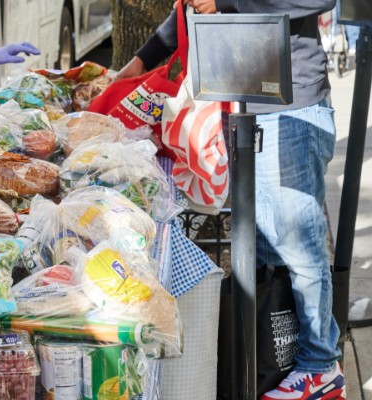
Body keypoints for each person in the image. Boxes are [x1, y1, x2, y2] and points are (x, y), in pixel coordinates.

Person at [114, 1, 345, 399]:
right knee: (258, 248)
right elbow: (188, 8)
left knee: (298, 247)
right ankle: (274, 362)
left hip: (288, 109)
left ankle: (320, 367)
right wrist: (142, 59)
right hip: (237, 100)